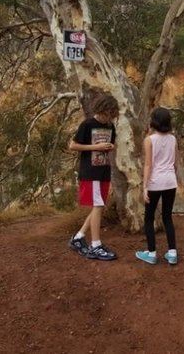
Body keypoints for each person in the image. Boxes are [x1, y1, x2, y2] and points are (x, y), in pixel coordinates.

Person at [68, 94, 120, 261]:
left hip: (104, 170)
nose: (108, 118)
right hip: (90, 171)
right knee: (98, 205)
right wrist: (94, 147)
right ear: (100, 110)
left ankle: (78, 237)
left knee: (99, 205)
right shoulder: (88, 124)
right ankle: (95, 245)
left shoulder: (111, 127)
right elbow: (72, 145)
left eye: (111, 115)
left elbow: (111, 145)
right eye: (106, 114)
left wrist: (110, 147)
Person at [136, 107, 179, 265]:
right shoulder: (173, 139)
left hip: (155, 181)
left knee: (149, 218)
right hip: (170, 181)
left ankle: (152, 253)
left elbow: (148, 165)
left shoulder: (149, 140)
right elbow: (176, 164)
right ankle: (172, 252)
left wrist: (145, 187)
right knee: (167, 217)